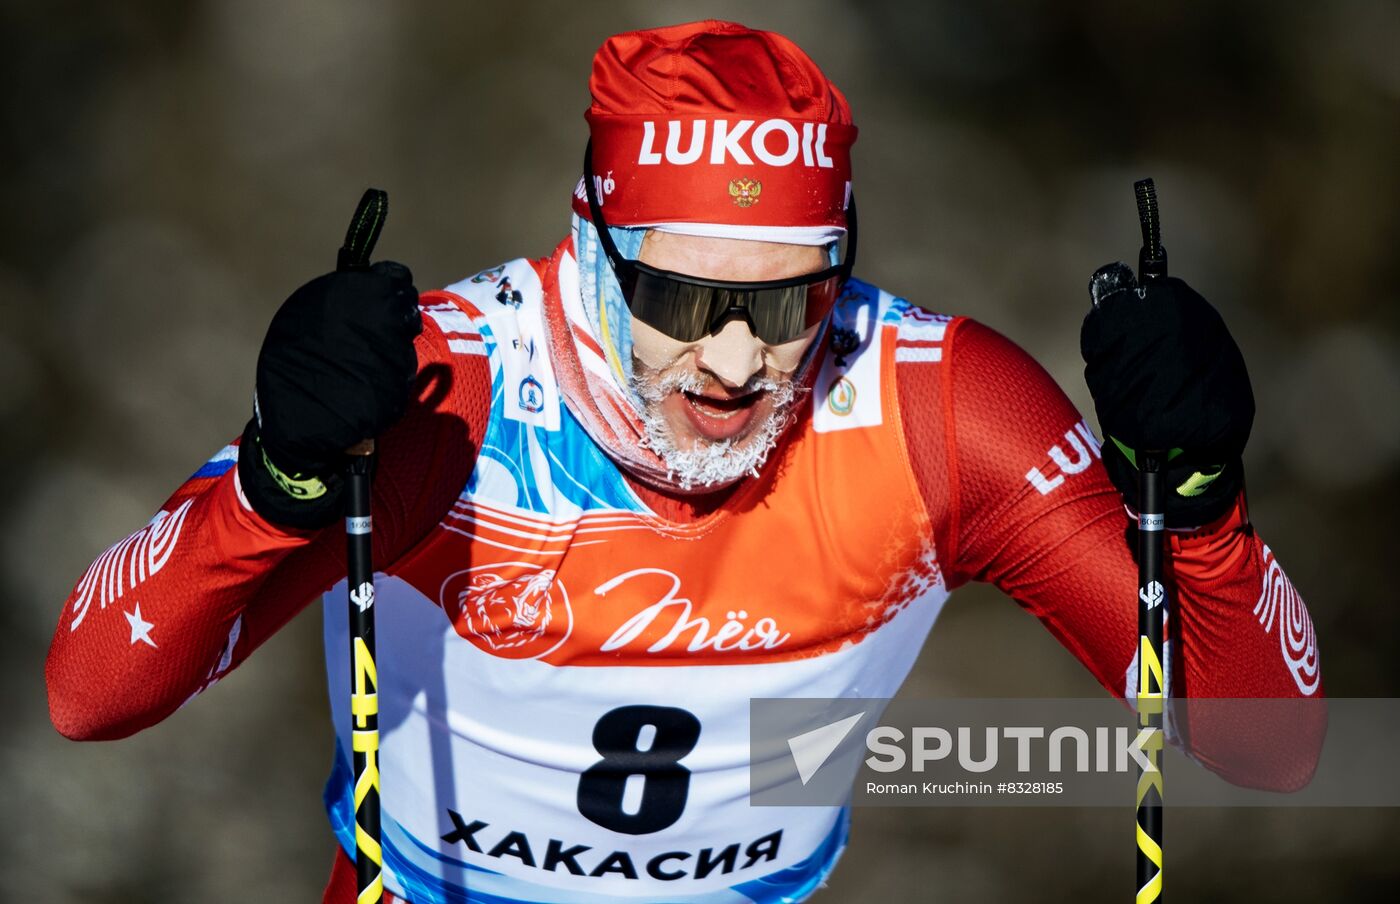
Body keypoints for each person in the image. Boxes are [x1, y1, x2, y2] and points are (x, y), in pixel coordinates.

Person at [45, 20, 1325, 904]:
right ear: (586, 248)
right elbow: (89, 693)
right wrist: (283, 479)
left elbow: (1267, 744)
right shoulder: (440, 390)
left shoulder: (936, 410)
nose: (730, 360)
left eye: (785, 306)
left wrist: (1201, 501)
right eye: (676, 299)